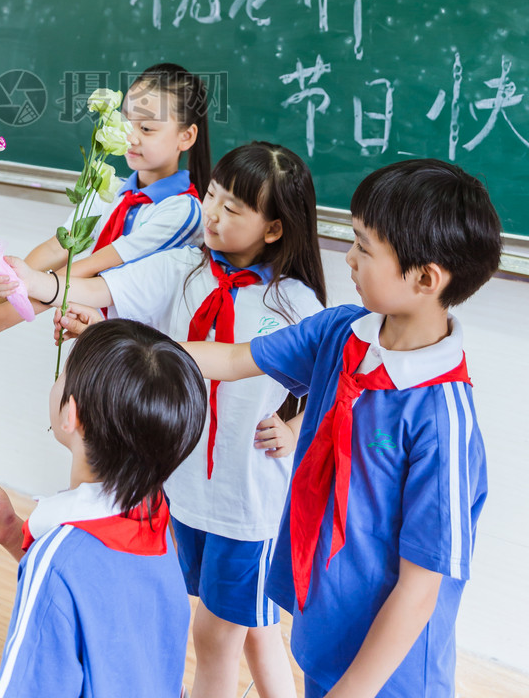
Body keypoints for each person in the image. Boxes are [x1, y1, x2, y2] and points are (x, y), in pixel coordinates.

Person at [0, 142, 327, 698]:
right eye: (212, 197)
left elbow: (335, 390)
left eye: (233, 209)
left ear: (273, 229)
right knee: (233, 620)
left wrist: (293, 430)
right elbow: (97, 290)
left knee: (216, 635)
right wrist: (32, 280)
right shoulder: (184, 266)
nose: (212, 215)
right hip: (176, 491)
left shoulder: (294, 305)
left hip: (246, 507)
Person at [181, 158, 502, 698]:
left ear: (425, 278)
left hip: (387, 676)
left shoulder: (442, 419)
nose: (347, 258)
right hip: (324, 631)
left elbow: (422, 589)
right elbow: (235, 359)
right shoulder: (342, 333)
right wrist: (130, 352)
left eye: (364, 246)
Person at [0, 318, 207, 698]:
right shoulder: (155, 516)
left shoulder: (57, 564)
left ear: (70, 414)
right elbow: (102, 607)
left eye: (63, 373)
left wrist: (42, 555)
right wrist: (14, 535)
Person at [0, 61, 211, 343]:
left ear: (186, 136)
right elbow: (57, 247)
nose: (130, 136)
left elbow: (85, 269)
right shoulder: (109, 189)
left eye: (146, 128)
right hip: (98, 338)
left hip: (144, 353)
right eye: (126, 121)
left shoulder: (183, 211)